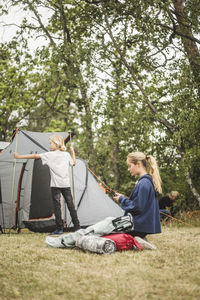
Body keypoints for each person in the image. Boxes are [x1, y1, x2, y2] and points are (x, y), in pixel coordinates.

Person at [14, 135, 80, 235]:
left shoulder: (49, 155)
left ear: (56, 144)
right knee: (71, 205)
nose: (49, 145)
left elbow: (35, 156)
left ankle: (59, 229)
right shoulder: (66, 155)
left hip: (55, 185)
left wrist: (19, 157)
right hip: (65, 185)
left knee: (57, 207)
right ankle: (77, 227)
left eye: (50, 143)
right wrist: (73, 152)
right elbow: (74, 163)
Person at [113, 152, 162, 249]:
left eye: (129, 166)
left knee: (112, 232)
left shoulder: (144, 183)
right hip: (143, 226)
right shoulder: (147, 182)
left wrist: (121, 199)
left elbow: (137, 207)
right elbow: (140, 203)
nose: (128, 169)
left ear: (138, 164)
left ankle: (137, 240)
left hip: (138, 226)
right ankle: (140, 238)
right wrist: (123, 198)